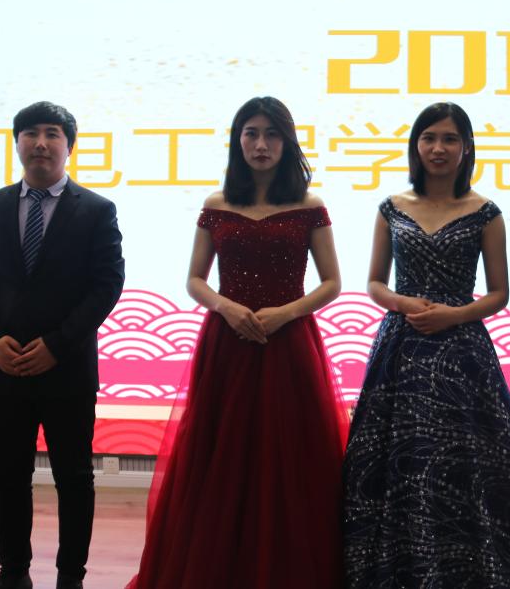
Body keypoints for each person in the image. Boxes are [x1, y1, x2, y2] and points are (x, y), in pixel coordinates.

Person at [128, 96, 348, 588]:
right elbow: (194, 280)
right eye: (251, 133)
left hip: (289, 345)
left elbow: (332, 282)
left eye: (272, 134)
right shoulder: (217, 204)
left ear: (287, 142)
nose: (261, 144)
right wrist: (226, 307)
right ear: (237, 140)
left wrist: (285, 314)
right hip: (228, 344)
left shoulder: (310, 206)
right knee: (220, 458)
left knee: (292, 458)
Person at [343, 102, 510, 588]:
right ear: (415, 146)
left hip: (463, 355)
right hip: (402, 349)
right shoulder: (391, 208)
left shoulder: (486, 212)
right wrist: (403, 303)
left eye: (449, 139)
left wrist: (453, 314)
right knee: (402, 462)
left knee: (465, 464)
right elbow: (374, 283)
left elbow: (500, 293)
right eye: (429, 138)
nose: (438, 148)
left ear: (466, 148)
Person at [0, 101, 126, 589]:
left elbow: (107, 286)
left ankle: (71, 575)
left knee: (74, 478)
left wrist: (57, 344)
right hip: (4, 367)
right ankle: (13, 572)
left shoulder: (96, 210)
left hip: (67, 368)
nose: (41, 143)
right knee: (8, 476)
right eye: (30, 133)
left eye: (52, 133)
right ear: (17, 144)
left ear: (69, 145)